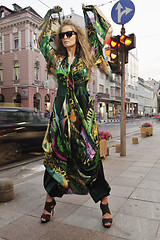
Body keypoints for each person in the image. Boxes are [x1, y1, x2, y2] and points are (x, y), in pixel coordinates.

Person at [37, 4, 113, 228]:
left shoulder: (88, 57)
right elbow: (42, 41)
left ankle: (105, 205)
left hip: (82, 113)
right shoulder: (56, 60)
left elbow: (102, 35)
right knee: (56, 156)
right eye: (62, 35)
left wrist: (91, 13)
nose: (65, 37)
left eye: (69, 33)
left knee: (90, 159)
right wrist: (51, 17)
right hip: (60, 113)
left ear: (77, 36)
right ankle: (49, 204)